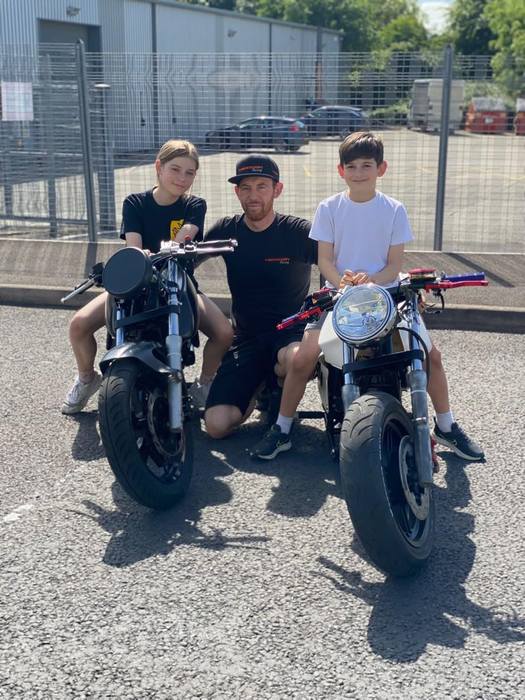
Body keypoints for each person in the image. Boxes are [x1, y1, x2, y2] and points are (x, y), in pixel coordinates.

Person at [251, 131, 484, 462]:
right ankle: (282, 428)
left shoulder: (394, 209)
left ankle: (446, 426)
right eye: (351, 166)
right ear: (340, 170)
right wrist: (343, 284)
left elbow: (394, 266)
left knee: (430, 356)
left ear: (381, 168)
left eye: (366, 165)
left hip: (387, 295)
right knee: (303, 358)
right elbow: (325, 261)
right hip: (338, 296)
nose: (358, 172)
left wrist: (370, 282)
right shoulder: (329, 207)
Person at [61, 139, 233, 414]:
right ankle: (87, 378)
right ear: (158, 167)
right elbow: (134, 247)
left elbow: (186, 233)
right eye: (175, 169)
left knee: (224, 333)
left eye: (189, 173)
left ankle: (204, 383)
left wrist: (172, 247)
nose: (182, 178)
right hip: (137, 281)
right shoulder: (135, 203)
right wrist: (142, 256)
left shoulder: (195, 204)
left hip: (179, 283)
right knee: (78, 325)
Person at [203, 154, 317, 439]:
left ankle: (280, 386)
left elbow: (332, 265)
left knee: (296, 358)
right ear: (237, 192)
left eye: (261, 186)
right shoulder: (227, 230)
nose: (253, 195)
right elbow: (186, 262)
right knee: (216, 426)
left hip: (289, 335)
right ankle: (259, 389)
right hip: (247, 338)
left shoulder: (298, 232)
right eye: (246, 187)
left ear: (277, 189)